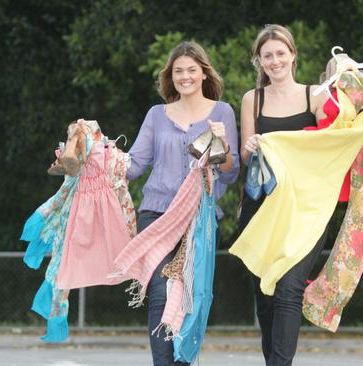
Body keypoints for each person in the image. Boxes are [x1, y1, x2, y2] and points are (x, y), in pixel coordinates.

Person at [126, 41, 239, 366]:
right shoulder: (157, 115)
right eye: (178, 71)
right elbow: (134, 165)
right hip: (157, 216)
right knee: (160, 294)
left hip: (198, 220)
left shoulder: (222, 112)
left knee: (190, 298)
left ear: (204, 73)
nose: (185, 76)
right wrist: (94, 154)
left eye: (192, 70)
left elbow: (230, 174)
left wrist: (223, 143)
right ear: (170, 76)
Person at [237, 24, 330, 366]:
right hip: (261, 209)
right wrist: (249, 147)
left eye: (280, 53)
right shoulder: (252, 99)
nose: (274, 61)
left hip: (306, 209)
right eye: (267, 55)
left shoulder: (316, 95)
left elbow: (329, 144)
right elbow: (246, 156)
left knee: (290, 288)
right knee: (266, 297)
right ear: (259, 62)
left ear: (293, 55)